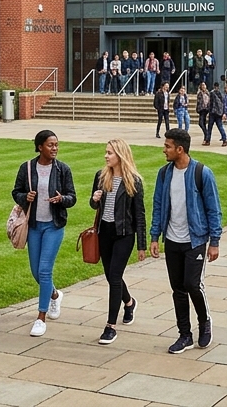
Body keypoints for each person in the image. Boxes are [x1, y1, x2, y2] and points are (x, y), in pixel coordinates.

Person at [149, 128, 222, 354]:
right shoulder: (164, 173)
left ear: (180, 149)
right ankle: (184, 334)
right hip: (172, 240)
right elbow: (158, 205)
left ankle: (204, 321)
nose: (164, 150)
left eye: (168, 146)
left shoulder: (202, 173)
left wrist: (214, 241)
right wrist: (154, 236)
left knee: (192, 284)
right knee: (177, 288)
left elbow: (214, 209)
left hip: (195, 240)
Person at [11, 130, 76, 337]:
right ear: (40, 147)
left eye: (56, 144)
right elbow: (16, 192)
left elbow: (72, 197)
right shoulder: (28, 168)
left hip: (54, 226)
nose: (55, 148)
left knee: (45, 270)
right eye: (50, 145)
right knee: (36, 272)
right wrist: (25, 197)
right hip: (34, 226)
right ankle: (55, 295)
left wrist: (62, 199)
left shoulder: (63, 169)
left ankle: (41, 317)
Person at [89, 138, 147, 345]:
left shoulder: (133, 181)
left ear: (120, 155)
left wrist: (142, 245)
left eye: (110, 153)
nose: (106, 156)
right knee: (110, 274)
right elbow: (93, 205)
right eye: (106, 152)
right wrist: (95, 199)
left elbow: (139, 215)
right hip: (105, 232)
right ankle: (129, 303)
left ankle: (110, 327)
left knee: (114, 277)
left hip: (124, 234)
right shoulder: (101, 176)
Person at [205, 82, 227, 147]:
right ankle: (224, 140)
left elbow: (210, 103)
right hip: (219, 113)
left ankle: (208, 140)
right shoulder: (221, 94)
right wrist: (223, 113)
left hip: (212, 112)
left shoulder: (211, 93)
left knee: (209, 128)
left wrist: (209, 111)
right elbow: (223, 104)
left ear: (214, 86)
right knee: (220, 127)